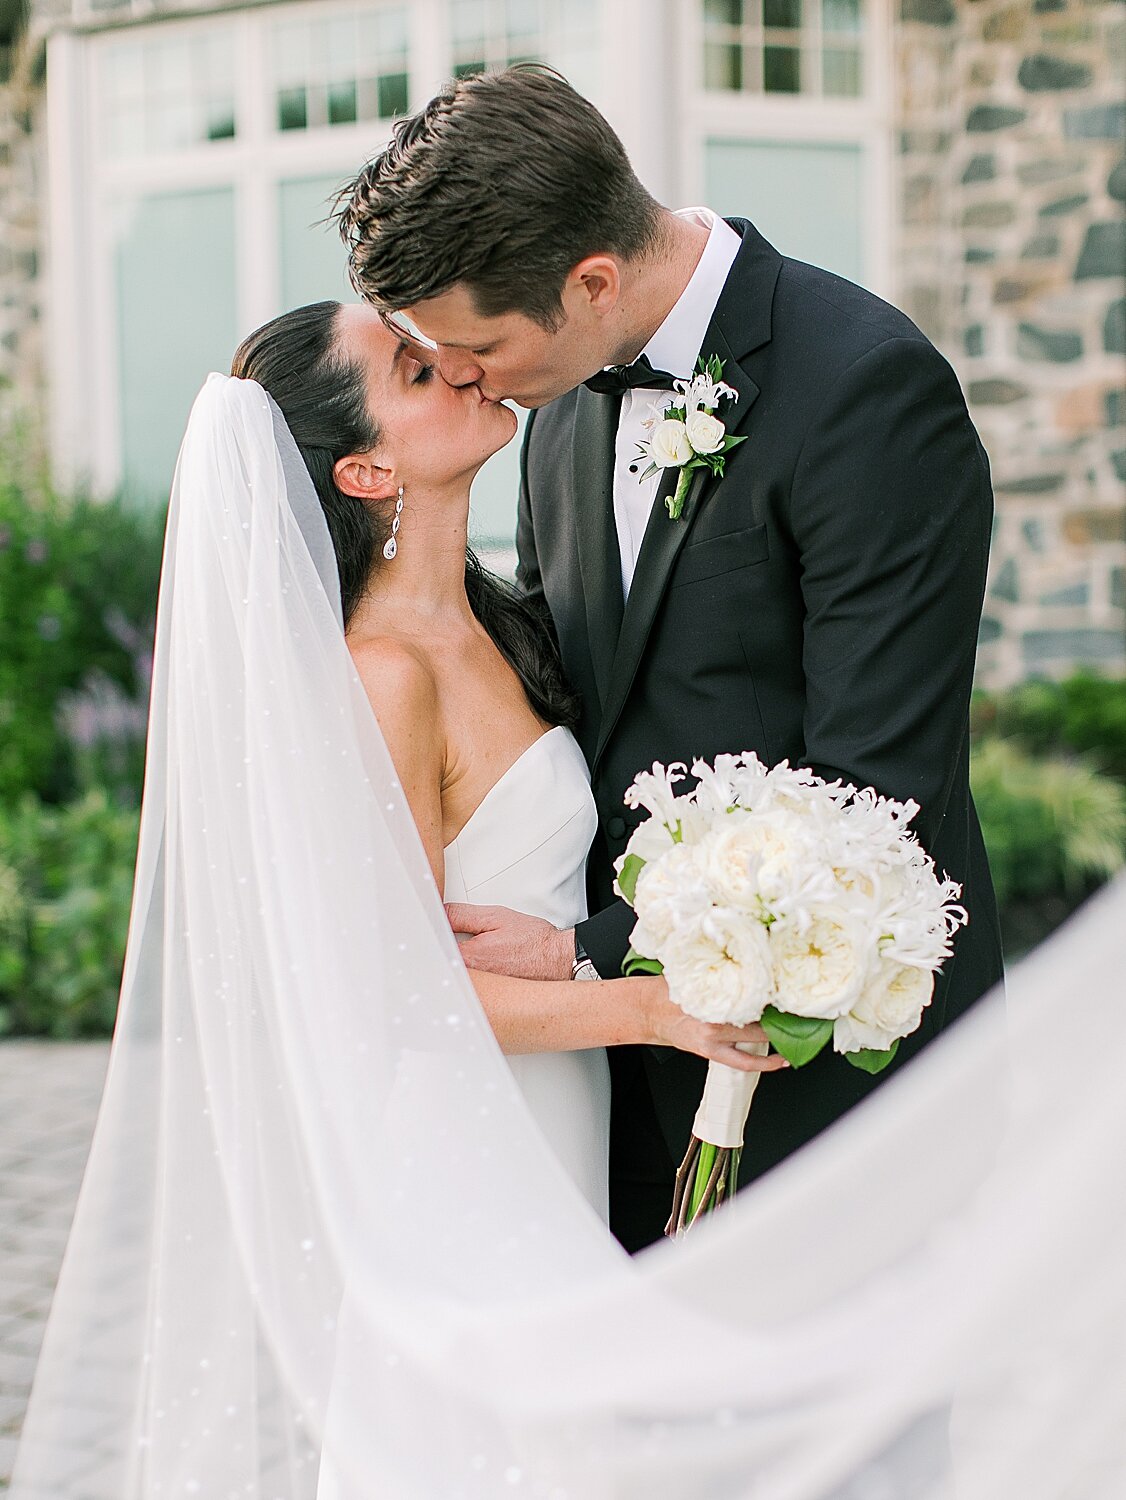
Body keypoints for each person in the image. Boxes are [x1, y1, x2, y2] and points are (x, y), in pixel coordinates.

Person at [336, 64, 1006, 1251]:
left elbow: (879, 792)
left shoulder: (865, 389)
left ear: (589, 281)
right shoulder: (549, 408)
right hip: (619, 1097)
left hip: (832, 1079)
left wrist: (583, 955)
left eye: (476, 345)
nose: (465, 379)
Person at [229, 300, 785, 1220]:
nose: (454, 361)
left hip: (559, 1104)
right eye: (414, 370)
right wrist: (656, 1011)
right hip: (465, 1143)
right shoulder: (384, 677)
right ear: (366, 470)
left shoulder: (500, 622)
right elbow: (394, 997)